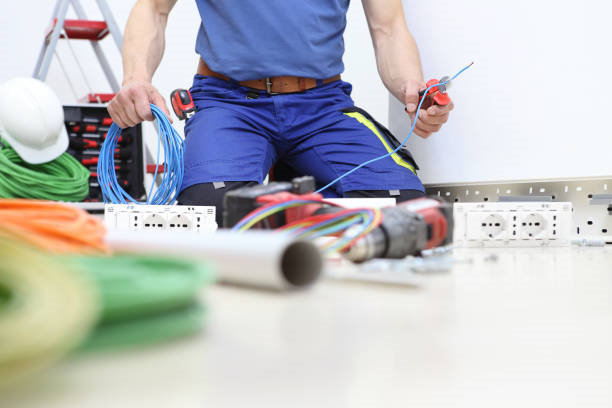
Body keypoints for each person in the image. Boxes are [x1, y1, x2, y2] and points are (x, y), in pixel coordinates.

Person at [107, 0, 454, 226]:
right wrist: (136, 78)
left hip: (323, 107)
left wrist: (411, 87)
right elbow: (153, 8)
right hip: (228, 102)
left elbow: (389, 29)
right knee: (212, 209)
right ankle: (294, 198)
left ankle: (293, 191)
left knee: (405, 210)